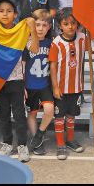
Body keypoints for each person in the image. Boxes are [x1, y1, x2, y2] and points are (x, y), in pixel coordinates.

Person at [0, 0, 38, 163]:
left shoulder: (20, 31)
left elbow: (33, 48)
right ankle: (6, 143)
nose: (5, 14)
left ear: (16, 14)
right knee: (3, 115)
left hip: (17, 80)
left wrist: (32, 28)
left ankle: (22, 145)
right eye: (1, 11)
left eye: (9, 11)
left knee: (19, 115)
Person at [49, 7, 86, 161]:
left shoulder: (83, 38)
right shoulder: (56, 43)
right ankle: (60, 144)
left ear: (77, 24)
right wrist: (55, 87)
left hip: (76, 87)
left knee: (71, 115)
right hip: (61, 89)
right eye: (66, 23)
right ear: (60, 26)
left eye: (73, 23)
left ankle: (70, 139)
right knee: (59, 116)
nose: (70, 26)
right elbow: (52, 66)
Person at [24, 9, 55, 156]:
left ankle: (39, 135)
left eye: (44, 25)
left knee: (49, 110)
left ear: (49, 27)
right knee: (32, 114)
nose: (40, 28)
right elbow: (23, 66)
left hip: (44, 84)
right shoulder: (26, 43)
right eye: (37, 25)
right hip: (30, 85)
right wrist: (22, 86)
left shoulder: (51, 43)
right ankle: (37, 144)